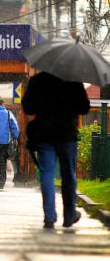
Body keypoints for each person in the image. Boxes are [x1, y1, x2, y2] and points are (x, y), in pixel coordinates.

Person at [22, 71, 90, 229]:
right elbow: (84, 107)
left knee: (47, 174)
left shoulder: (37, 81)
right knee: (68, 175)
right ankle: (69, 215)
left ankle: (49, 216)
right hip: (67, 134)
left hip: (45, 134)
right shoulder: (73, 80)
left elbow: (28, 107)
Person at [0, 99, 19, 191]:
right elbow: (15, 127)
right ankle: (1, 184)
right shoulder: (8, 113)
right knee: (2, 161)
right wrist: (15, 138)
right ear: (2, 104)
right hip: (5, 141)